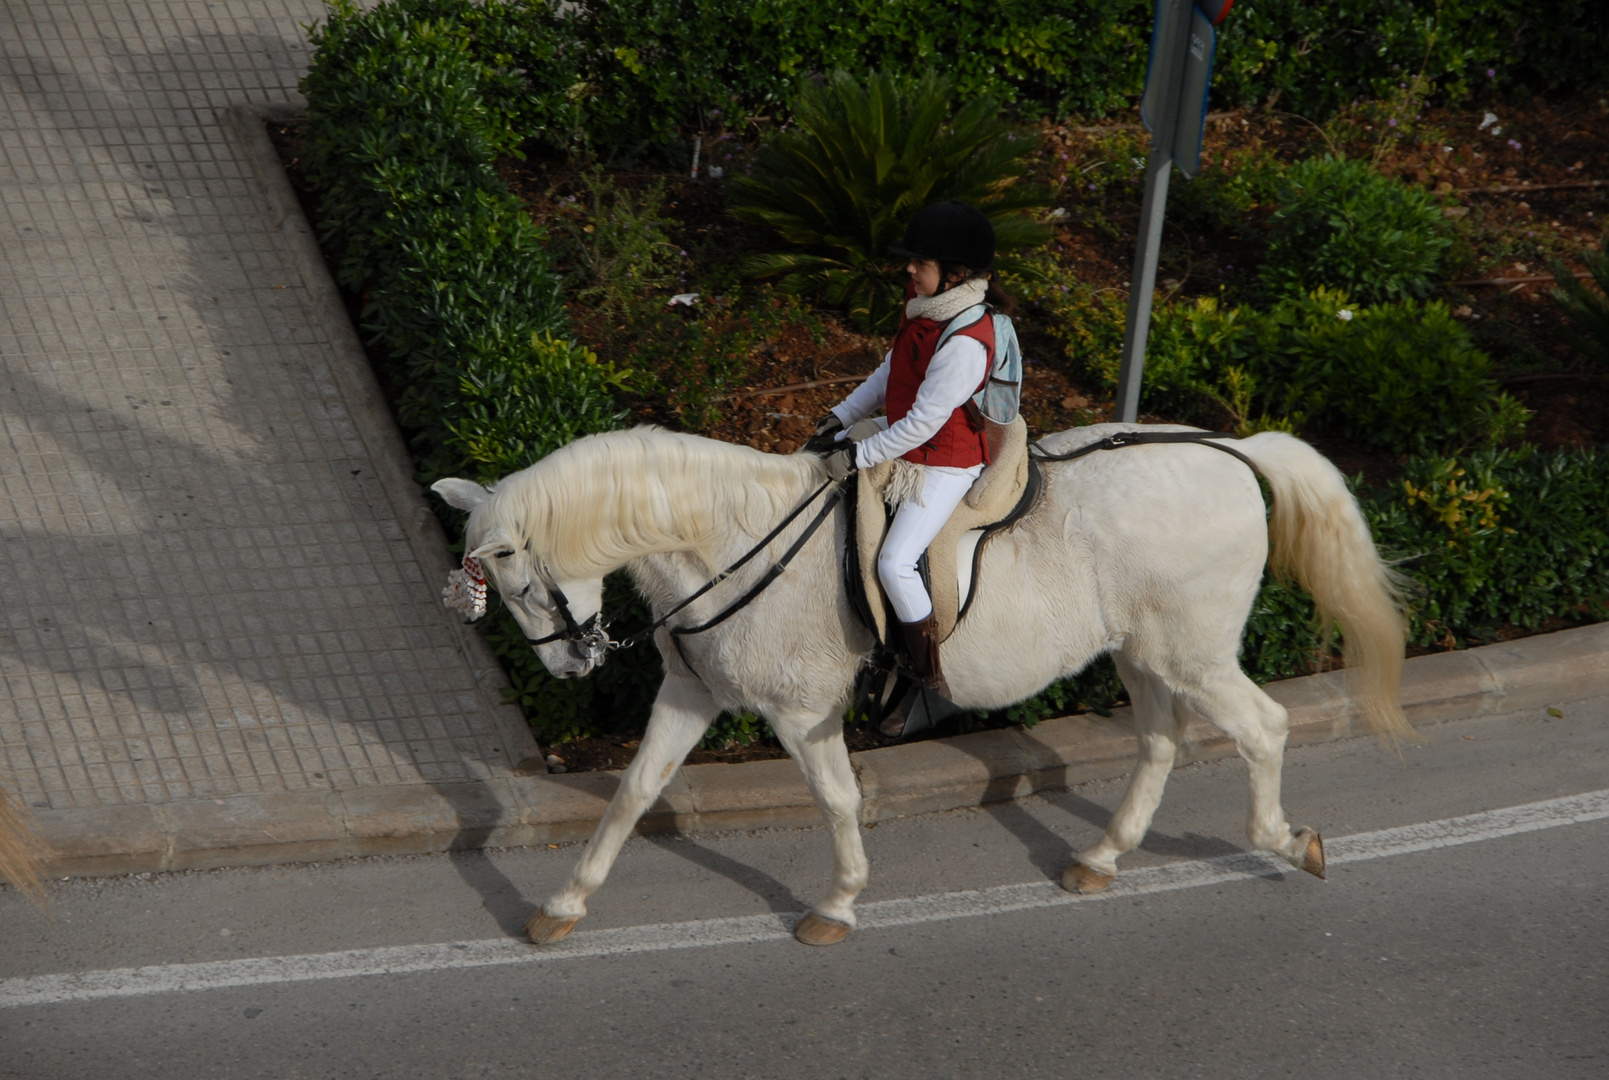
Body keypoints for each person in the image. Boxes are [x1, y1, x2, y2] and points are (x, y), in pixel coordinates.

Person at [812, 200, 1016, 738]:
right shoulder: (927, 307)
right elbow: (890, 372)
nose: (909, 270)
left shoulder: (966, 344)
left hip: (945, 463)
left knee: (896, 562)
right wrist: (839, 416)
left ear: (955, 274)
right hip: (906, 444)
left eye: (919, 263)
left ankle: (931, 686)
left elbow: (922, 425)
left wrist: (855, 454)